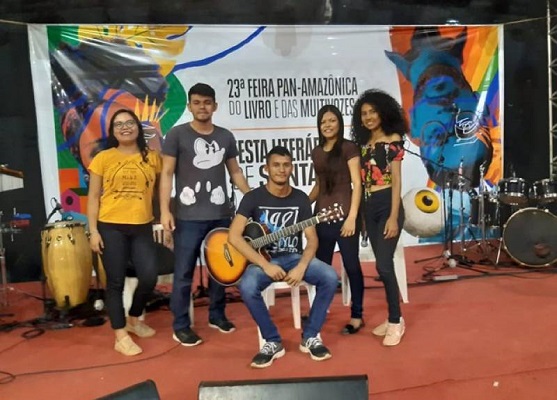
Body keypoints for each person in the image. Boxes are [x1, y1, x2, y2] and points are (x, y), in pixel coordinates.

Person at [228, 146, 338, 368]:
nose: (281, 169)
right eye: (276, 165)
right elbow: (234, 236)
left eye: (286, 165)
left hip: (294, 257)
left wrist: (302, 266)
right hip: (264, 260)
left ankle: (310, 336)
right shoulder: (252, 198)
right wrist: (264, 264)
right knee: (247, 286)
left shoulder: (300, 199)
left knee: (330, 276)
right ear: (266, 169)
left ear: (292, 168)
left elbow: (312, 239)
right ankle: (272, 340)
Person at [160, 83, 250, 346]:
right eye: (197, 102)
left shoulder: (225, 136)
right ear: (189, 106)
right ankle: (181, 325)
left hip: (221, 215)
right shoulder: (176, 135)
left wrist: (252, 196)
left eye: (207, 102)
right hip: (187, 218)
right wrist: (165, 211)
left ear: (215, 106)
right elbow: (166, 174)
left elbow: (235, 172)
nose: (202, 107)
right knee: (183, 274)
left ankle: (217, 315)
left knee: (220, 270)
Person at [87, 109, 162, 356]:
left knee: (149, 277)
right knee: (115, 282)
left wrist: (164, 219)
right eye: (118, 124)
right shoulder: (103, 158)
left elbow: (160, 192)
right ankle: (120, 335)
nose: (125, 127)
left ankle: (133, 319)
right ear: (113, 131)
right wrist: (93, 231)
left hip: (142, 226)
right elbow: (93, 197)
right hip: (110, 226)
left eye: (130, 122)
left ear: (138, 127)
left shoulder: (153, 158)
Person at [351, 89, 407, 346]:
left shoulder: (393, 139)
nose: (369, 117)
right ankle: (393, 315)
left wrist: (393, 216)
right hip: (369, 206)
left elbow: (396, 180)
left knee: (384, 265)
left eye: (373, 111)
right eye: (364, 113)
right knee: (381, 266)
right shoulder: (363, 144)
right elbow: (361, 182)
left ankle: (396, 321)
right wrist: (362, 215)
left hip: (387, 205)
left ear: (383, 113)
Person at [308, 105, 363, 335]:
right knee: (321, 268)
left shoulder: (349, 148)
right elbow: (319, 186)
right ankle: (320, 311)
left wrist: (352, 217)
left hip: (346, 217)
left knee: (351, 266)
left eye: (331, 120)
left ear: (339, 122)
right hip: (322, 217)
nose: (327, 125)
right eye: (323, 121)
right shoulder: (316, 151)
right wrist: (302, 205)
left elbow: (357, 184)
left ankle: (357, 316)